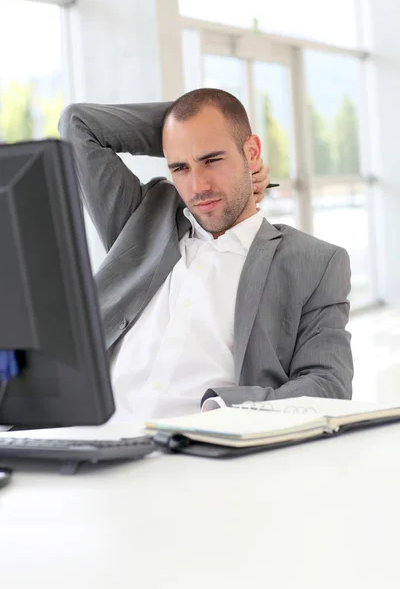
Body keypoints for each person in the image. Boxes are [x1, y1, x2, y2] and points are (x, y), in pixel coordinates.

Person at [59, 88, 353, 422]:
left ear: (252, 153)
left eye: (211, 159)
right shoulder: (142, 219)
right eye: (180, 167)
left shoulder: (313, 262)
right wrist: (182, 125)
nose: (197, 186)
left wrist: (222, 411)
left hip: (196, 451)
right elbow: (78, 123)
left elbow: (329, 385)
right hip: (87, 433)